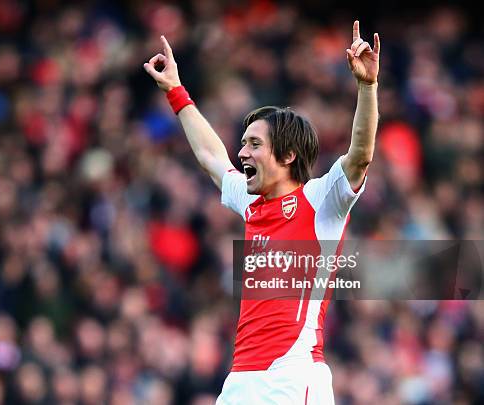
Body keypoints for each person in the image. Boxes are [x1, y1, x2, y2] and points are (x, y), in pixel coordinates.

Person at [143, 20, 380, 404]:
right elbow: (210, 157)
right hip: (241, 380)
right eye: (243, 143)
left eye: (254, 144)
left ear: (287, 155)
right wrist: (175, 92)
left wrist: (367, 88)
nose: (242, 153)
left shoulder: (322, 201)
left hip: (292, 377)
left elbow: (361, 155)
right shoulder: (252, 203)